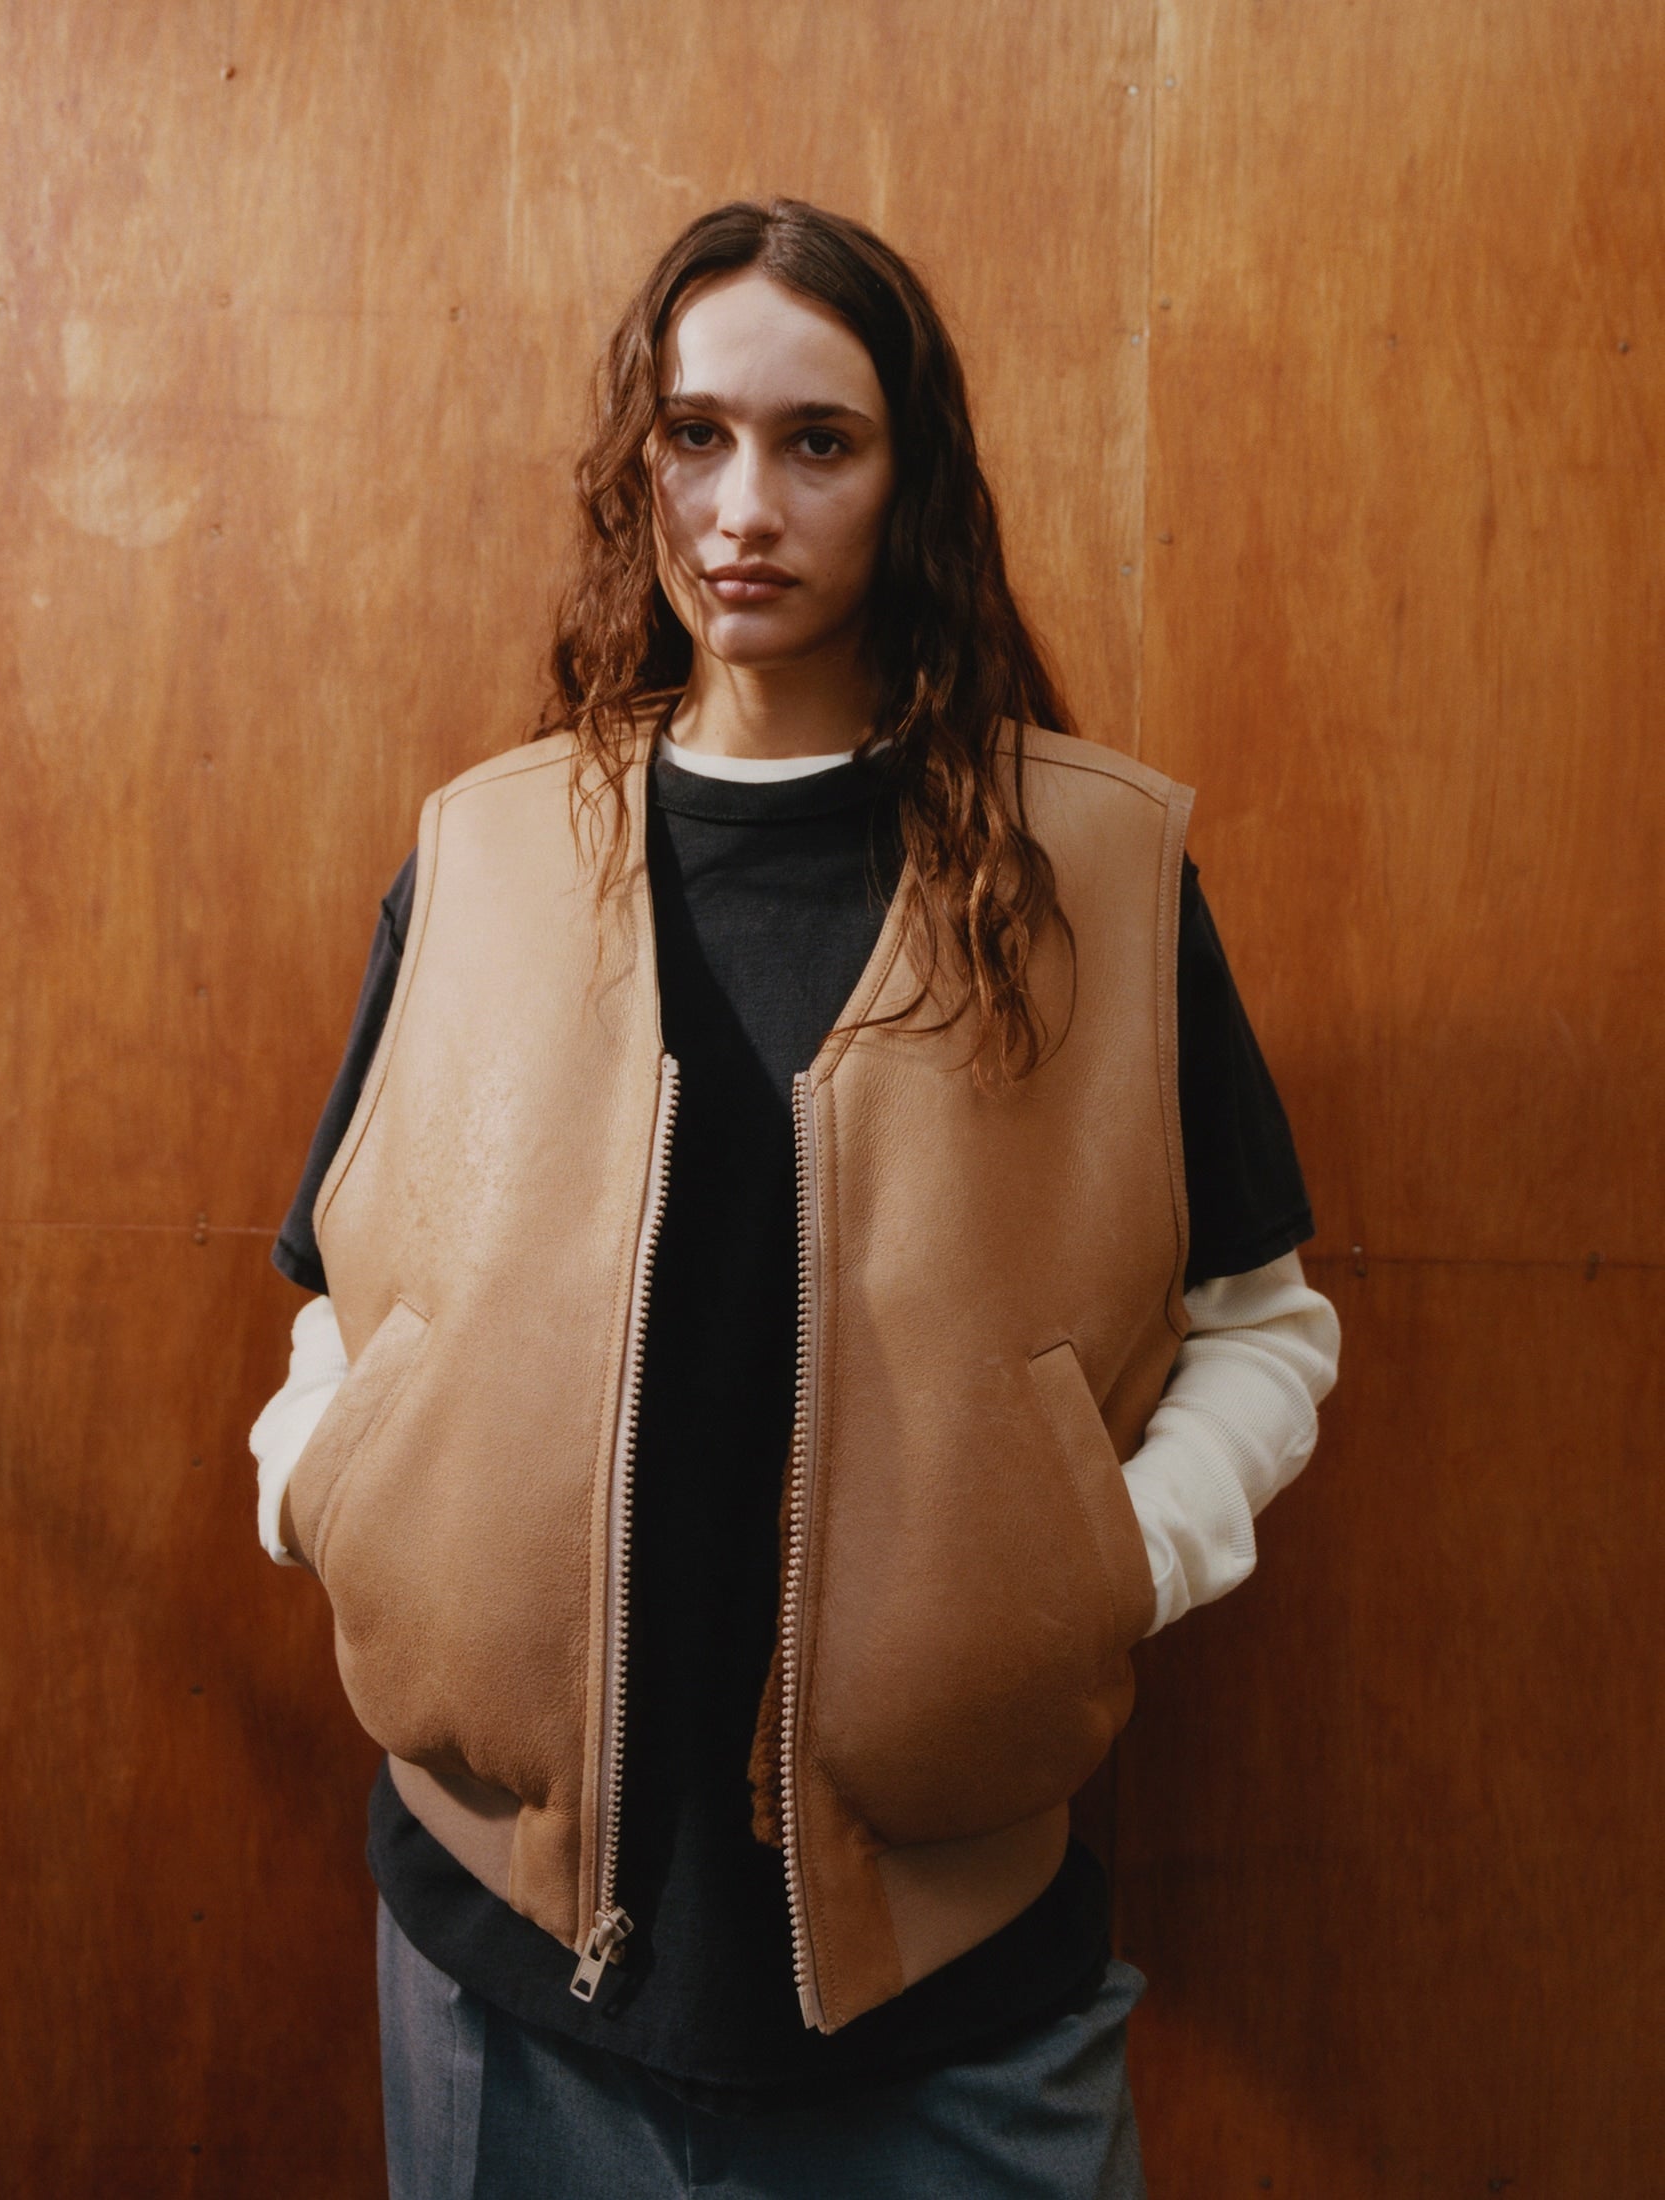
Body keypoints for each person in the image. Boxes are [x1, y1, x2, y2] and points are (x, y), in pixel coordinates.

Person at [249, 198, 1340, 2199]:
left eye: (815, 441)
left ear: (908, 479)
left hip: (954, 1998)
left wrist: (1111, 1555)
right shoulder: (488, 852)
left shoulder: (1087, 873)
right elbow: (345, 1295)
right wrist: (328, 1479)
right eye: (693, 436)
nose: (742, 506)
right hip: (502, 1977)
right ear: (635, 464)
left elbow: (1263, 1324)